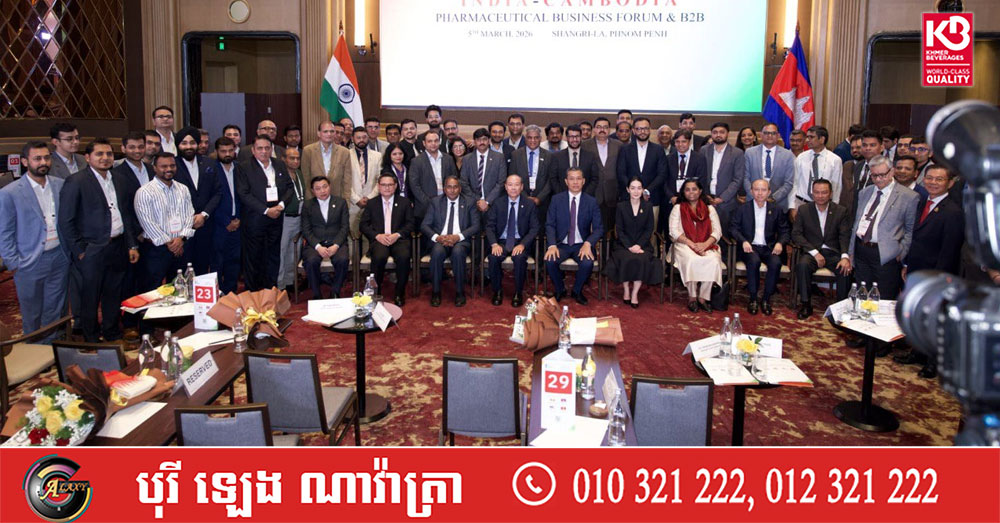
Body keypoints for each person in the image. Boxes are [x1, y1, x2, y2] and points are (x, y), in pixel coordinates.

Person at [58, 138, 140, 342]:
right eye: (99, 154)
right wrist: (80, 251)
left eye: (109, 154)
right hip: (92, 250)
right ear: (87, 157)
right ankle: (91, 338)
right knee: (90, 297)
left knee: (113, 293)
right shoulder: (76, 181)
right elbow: (66, 221)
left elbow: (127, 215)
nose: (105, 158)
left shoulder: (119, 179)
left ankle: (111, 333)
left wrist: (131, 244)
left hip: (118, 245)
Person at [897, 165, 964, 378]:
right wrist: (907, 264)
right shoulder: (921, 202)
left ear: (950, 183)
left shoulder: (953, 212)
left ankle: (933, 362)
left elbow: (949, 251)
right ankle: (917, 353)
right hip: (916, 269)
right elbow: (915, 239)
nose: (933, 182)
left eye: (939, 179)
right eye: (930, 178)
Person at [0, 141, 70, 339]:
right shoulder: (10, 193)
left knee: (54, 308)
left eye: (46, 158)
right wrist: (14, 262)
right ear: (25, 161)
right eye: (37, 158)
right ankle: (34, 347)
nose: (43, 162)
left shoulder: (59, 185)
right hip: (29, 260)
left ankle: (48, 349)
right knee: (32, 311)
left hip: (59, 256)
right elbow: (4, 232)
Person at [848, 155, 919, 301]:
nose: (878, 179)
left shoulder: (908, 196)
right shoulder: (864, 192)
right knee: (861, 295)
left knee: (884, 297)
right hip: (861, 250)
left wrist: (901, 252)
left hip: (886, 254)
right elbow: (856, 223)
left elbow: (910, 230)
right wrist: (851, 252)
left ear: (892, 171)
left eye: (882, 175)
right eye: (874, 176)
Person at [236, 135, 294, 291]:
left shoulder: (279, 164)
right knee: (254, 259)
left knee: (273, 257)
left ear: (271, 149)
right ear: (253, 150)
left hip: (276, 219)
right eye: (260, 148)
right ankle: (254, 294)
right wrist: (266, 210)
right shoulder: (244, 167)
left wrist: (280, 206)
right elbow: (244, 194)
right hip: (255, 220)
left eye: (267, 148)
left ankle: (271, 292)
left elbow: (289, 187)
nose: (264, 151)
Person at [133, 152, 195, 292]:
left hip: (181, 246)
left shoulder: (183, 189)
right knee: (151, 290)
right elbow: (147, 222)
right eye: (164, 166)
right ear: (155, 168)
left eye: (172, 165)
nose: (169, 169)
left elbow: (189, 215)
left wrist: (181, 239)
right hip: (156, 249)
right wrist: (170, 243)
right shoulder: (145, 192)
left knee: (179, 289)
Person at [791, 179, 852, 319]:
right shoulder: (804, 210)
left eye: (824, 192)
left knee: (845, 269)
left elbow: (844, 235)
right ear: (812, 193)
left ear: (831, 193)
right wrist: (814, 252)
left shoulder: (840, 211)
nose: (820, 196)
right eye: (817, 192)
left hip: (833, 252)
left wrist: (845, 257)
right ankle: (806, 304)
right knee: (802, 266)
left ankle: (840, 308)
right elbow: (796, 234)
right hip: (812, 251)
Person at [731, 179, 790, 316]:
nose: (760, 193)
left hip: (769, 247)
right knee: (754, 261)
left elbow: (785, 231)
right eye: (756, 189)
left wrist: (780, 243)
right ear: (751, 191)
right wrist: (743, 241)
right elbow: (733, 228)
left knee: (776, 263)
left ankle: (766, 299)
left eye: (763, 190)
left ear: (769, 192)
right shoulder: (742, 209)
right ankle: (753, 299)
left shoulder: (776, 210)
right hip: (750, 247)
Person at [544, 168, 603, 305]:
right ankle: (560, 289)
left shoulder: (591, 201)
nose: (575, 182)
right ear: (566, 181)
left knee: (587, 263)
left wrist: (588, 243)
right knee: (550, 260)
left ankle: (577, 291)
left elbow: (599, 228)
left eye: (578, 179)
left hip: (581, 244)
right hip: (561, 244)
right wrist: (552, 245)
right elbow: (550, 225)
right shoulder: (556, 200)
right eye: (571, 179)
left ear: (583, 181)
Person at [421, 175, 479, 306]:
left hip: (461, 240)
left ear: (460, 188)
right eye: (449, 187)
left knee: (458, 252)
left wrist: (458, 237)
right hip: (440, 240)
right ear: (444, 189)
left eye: (455, 187)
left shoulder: (469, 202)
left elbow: (476, 226)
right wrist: (437, 237)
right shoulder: (435, 202)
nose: (452, 190)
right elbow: (425, 225)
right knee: (437, 252)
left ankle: (460, 292)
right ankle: (436, 292)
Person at [604, 178, 662, 308]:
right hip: (623, 245)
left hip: (643, 245)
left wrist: (639, 245)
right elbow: (619, 230)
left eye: (639, 188)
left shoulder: (648, 206)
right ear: (627, 190)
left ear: (643, 190)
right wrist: (630, 246)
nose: (636, 191)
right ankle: (626, 290)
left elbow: (649, 229)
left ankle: (635, 293)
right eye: (633, 188)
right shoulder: (621, 206)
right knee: (626, 258)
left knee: (641, 259)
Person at [359, 174, 414, 306]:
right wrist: (377, 236)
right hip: (379, 240)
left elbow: (411, 224)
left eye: (390, 185)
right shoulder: (372, 203)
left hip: (398, 239)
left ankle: (399, 293)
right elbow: (363, 225)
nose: (387, 188)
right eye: (384, 185)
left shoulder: (404, 202)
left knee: (404, 256)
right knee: (379, 257)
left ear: (395, 186)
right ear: (379, 187)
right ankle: (375, 292)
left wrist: (397, 234)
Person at [669, 179, 723, 312]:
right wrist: (692, 244)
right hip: (684, 244)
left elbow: (717, 231)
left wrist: (705, 244)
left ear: (700, 191)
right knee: (692, 260)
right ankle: (692, 297)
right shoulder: (678, 208)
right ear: (683, 192)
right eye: (687, 190)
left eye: (694, 189)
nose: (691, 192)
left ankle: (703, 297)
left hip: (706, 244)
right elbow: (673, 231)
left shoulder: (710, 209)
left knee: (713, 260)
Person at [486, 174, 539, 307]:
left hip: (520, 242)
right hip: (501, 242)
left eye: (516, 185)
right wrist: (494, 244)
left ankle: (518, 292)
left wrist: (523, 244)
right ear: (505, 187)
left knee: (520, 258)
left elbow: (534, 228)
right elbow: (489, 226)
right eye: (510, 185)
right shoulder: (498, 203)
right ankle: (497, 291)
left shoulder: (529, 204)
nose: (513, 188)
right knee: (493, 257)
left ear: (521, 187)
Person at [300, 176, 350, 299]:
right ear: (313, 191)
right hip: (315, 243)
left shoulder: (341, 203)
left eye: (325, 187)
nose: (322, 191)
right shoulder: (308, 205)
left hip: (336, 241)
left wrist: (336, 245)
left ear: (330, 187)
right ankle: (317, 294)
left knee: (342, 260)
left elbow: (345, 227)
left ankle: (335, 291)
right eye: (318, 188)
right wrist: (318, 247)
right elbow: (306, 229)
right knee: (311, 261)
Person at [617, 117, 666, 225]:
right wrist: (634, 190)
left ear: (650, 130)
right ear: (634, 131)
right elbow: (621, 173)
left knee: (650, 231)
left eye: (645, 128)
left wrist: (647, 190)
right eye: (639, 129)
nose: (642, 131)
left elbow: (662, 174)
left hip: (652, 198)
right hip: (629, 199)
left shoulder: (658, 150)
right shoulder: (625, 149)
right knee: (629, 230)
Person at [789, 125, 843, 221]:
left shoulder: (835, 160)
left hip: (824, 205)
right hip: (801, 203)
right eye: (807, 137)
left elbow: (836, 187)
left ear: (822, 139)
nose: (807, 140)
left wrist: (834, 208)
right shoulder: (801, 157)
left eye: (811, 137)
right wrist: (792, 206)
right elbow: (795, 183)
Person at [211, 137, 243, 294]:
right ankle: (217, 295)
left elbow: (244, 195)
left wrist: (239, 219)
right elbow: (210, 199)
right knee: (217, 262)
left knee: (234, 261)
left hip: (238, 222)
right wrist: (226, 222)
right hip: (219, 224)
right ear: (217, 151)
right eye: (223, 151)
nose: (227, 154)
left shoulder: (240, 168)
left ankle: (231, 293)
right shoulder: (211, 170)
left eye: (230, 150)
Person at [701, 122, 744, 236]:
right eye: (715, 132)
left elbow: (738, 179)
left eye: (722, 132)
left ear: (727, 134)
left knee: (724, 236)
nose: (718, 135)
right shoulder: (704, 150)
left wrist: (722, 198)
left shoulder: (737, 153)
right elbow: (701, 174)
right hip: (706, 200)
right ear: (711, 134)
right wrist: (706, 195)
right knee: (705, 234)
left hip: (726, 203)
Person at [410, 131, 458, 228]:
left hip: (447, 203)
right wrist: (429, 203)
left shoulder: (448, 159)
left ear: (439, 142)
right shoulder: (416, 161)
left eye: (436, 141)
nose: (433, 144)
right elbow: (414, 185)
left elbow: (454, 179)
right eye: (430, 141)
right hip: (425, 206)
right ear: (424, 143)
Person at [582, 117, 621, 235]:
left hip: (612, 194)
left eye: (605, 127)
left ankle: (608, 247)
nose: (602, 130)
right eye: (599, 127)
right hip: (592, 193)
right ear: (594, 129)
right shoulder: (584, 145)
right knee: (590, 228)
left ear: (609, 129)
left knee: (610, 229)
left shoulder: (619, 145)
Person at [743, 123, 795, 211]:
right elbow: (745, 178)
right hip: (753, 201)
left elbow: (788, 183)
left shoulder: (788, 155)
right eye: (766, 133)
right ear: (761, 135)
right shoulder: (749, 153)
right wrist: (755, 196)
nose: (770, 136)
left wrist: (773, 198)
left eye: (773, 133)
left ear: (778, 135)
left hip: (778, 204)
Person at [663, 130, 708, 230]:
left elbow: (701, 180)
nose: (680, 145)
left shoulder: (699, 158)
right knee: (671, 230)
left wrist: (690, 198)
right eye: (677, 142)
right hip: (672, 201)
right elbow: (664, 180)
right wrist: (671, 197)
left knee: (690, 230)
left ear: (689, 142)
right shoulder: (668, 158)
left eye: (684, 141)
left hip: (692, 201)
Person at [276, 146, 307, 292]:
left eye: (297, 158)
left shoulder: (299, 173)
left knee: (294, 252)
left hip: (299, 218)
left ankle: (290, 282)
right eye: (291, 158)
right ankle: (280, 285)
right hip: (285, 218)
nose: (295, 161)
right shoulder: (280, 175)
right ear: (283, 159)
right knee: (282, 252)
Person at [508, 125, 552, 226]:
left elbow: (550, 180)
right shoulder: (515, 155)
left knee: (540, 231)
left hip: (542, 203)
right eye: (530, 137)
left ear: (540, 139)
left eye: (536, 137)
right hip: (520, 200)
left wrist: (539, 198)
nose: (533, 140)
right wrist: (525, 197)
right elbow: (512, 177)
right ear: (525, 138)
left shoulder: (549, 156)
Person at [301, 121, 352, 201]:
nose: (329, 134)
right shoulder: (308, 151)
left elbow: (347, 181)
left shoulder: (344, 152)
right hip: (314, 199)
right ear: (319, 133)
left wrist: (346, 202)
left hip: (337, 199)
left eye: (332, 131)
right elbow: (305, 179)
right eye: (325, 131)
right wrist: (310, 201)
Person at [460, 128, 506, 215]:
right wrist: (478, 200)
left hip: (493, 203)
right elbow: (463, 182)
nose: (482, 142)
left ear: (489, 141)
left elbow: (501, 182)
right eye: (478, 140)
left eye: (484, 139)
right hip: (473, 204)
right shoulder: (467, 159)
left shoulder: (499, 158)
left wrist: (487, 201)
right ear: (474, 141)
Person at [348, 126, 382, 237]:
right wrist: (356, 199)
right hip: (353, 203)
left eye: (364, 137)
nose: (361, 140)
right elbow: (345, 181)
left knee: (370, 236)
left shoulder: (377, 156)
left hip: (371, 202)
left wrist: (369, 198)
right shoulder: (346, 155)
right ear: (352, 138)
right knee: (352, 236)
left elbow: (380, 179)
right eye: (358, 138)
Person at [844, 129, 884, 219]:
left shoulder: (887, 168)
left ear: (882, 147)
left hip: (876, 215)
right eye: (864, 145)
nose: (867, 148)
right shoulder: (858, 165)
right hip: (856, 213)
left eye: (872, 145)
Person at [548, 124, 600, 195]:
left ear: (581, 137)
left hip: (585, 197)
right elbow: (553, 179)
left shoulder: (591, 156)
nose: (575, 139)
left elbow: (594, 179)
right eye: (571, 137)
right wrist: (564, 196)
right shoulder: (557, 156)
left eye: (577, 136)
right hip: (562, 197)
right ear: (566, 138)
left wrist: (583, 196)